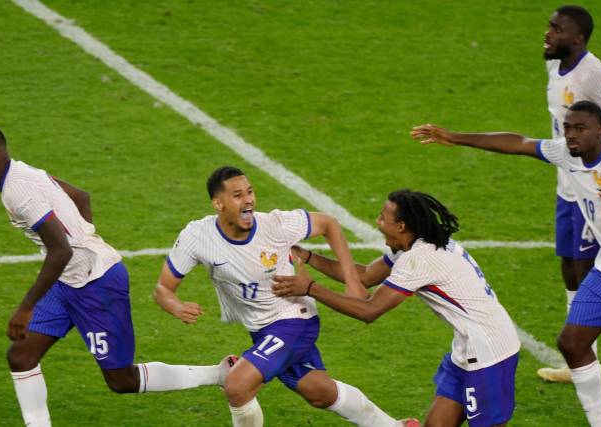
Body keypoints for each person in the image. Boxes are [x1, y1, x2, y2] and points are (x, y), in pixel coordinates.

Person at [410, 100, 601, 427]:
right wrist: (455, 137)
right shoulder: (567, 153)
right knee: (572, 342)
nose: (571, 134)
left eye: (580, 128)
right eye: (568, 127)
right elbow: (519, 143)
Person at [0, 125, 231, 427]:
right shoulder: (21, 173)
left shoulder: (18, 192)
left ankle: (219, 374)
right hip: (67, 281)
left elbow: (60, 251)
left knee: (121, 380)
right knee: (21, 357)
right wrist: (83, 239)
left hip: (97, 284)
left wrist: (26, 308)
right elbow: (82, 198)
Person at [153, 166, 414, 427]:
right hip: (261, 328)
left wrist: (353, 282)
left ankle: (220, 374)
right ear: (218, 204)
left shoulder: (274, 225)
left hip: (293, 321)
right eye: (237, 195)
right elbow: (163, 289)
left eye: (250, 192)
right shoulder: (197, 237)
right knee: (318, 392)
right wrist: (176, 306)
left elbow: (327, 223)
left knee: (237, 385)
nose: (248, 200)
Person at [272, 189, 521, 427]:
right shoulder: (417, 245)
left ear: (401, 226)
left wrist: (311, 288)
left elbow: (370, 310)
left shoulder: (419, 259)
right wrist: (308, 257)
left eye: (383, 217)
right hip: (467, 348)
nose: (377, 221)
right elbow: (366, 275)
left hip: (490, 353)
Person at [536, 6, 601, 403]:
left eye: (557, 29)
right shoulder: (556, 66)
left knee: (592, 278)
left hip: (592, 192)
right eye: (550, 26)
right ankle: (582, 362)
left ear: (578, 38)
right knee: (570, 272)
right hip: (566, 186)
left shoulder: (592, 75)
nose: (548, 33)